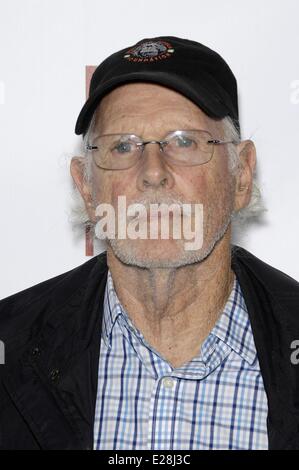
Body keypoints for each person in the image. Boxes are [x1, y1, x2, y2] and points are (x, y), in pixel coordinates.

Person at [0, 36, 299, 450]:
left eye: (184, 141)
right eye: (123, 146)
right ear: (87, 187)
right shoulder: (9, 345)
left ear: (241, 176)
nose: (153, 172)